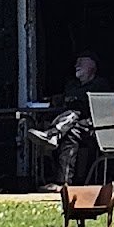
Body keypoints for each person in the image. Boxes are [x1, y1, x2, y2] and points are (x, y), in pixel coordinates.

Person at [27, 51, 101, 181]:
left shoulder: (100, 84)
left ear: (91, 65)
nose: (76, 65)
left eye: (81, 62)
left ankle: (53, 134)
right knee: (69, 130)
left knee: (74, 113)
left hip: (92, 125)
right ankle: (63, 182)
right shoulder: (71, 85)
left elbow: (85, 103)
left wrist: (73, 101)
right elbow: (61, 100)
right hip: (72, 126)